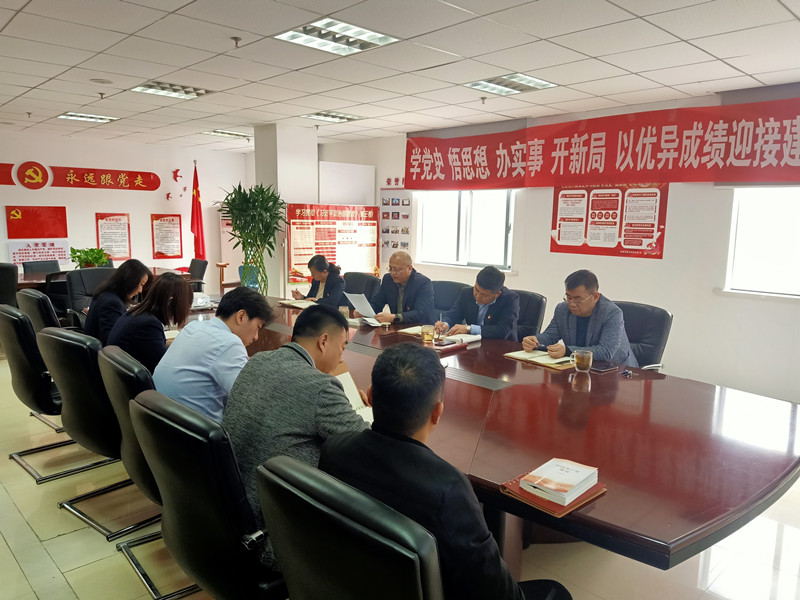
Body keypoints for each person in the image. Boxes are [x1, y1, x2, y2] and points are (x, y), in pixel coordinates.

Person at [319, 343, 572, 600]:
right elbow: (499, 594)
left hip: (356, 584)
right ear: (437, 413)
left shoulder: (334, 450)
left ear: (370, 396)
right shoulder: (448, 491)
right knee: (556, 592)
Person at [222, 303, 369, 568]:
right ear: (323, 341)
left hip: (228, 515)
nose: (341, 358)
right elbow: (366, 446)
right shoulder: (321, 386)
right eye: (343, 347)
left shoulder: (257, 361)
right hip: (272, 535)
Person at [153, 286, 273, 422]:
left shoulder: (193, 326)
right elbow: (250, 401)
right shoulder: (230, 343)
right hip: (195, 429)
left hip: (161, 420)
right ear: (241, 316)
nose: (256, 337)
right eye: (258, 327)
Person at [521, 269, 637, 367]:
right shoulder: (562, 309)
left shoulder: (612, 313)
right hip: (578, 367)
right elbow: (550, 335)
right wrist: (535, 340)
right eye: (568, 297)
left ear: (595, 297)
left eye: (577, 299)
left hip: (616, 371)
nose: (571, 303)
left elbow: (605, 351)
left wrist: (567, 351)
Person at [107, 272, 192, 373]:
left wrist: (180, 343)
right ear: (171, 301)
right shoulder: (148, 324)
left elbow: (155, 345)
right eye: (186, 304)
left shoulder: (136, 314)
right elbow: (164, 366)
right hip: (139, 381)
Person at [434, 266, 519, 340]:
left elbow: (502, 331)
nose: (478, 297)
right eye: (476, 290)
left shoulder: (510, 299)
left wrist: (469, 329)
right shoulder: (466, 293)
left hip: (502, 346)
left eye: (484, 295)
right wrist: (445, 324)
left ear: (497, 294)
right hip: (472, 343)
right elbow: (453, 315)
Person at [83, 259, 152, 345]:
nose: (140, 290)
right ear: (131, 282)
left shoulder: (105, 294)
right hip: (105, 352)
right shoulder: (112, 303)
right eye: (141, 284)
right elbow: (112, 341)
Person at [363, 251, 434, 324]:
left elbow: (420, 313)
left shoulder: (423, 283)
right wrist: (363, 312)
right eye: (390, 268)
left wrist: (394, 317)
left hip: (417, 327)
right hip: (396, 327)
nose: (393, 273)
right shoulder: (388, 279)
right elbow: (377, 303)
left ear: (410, 268)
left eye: (397, 269)